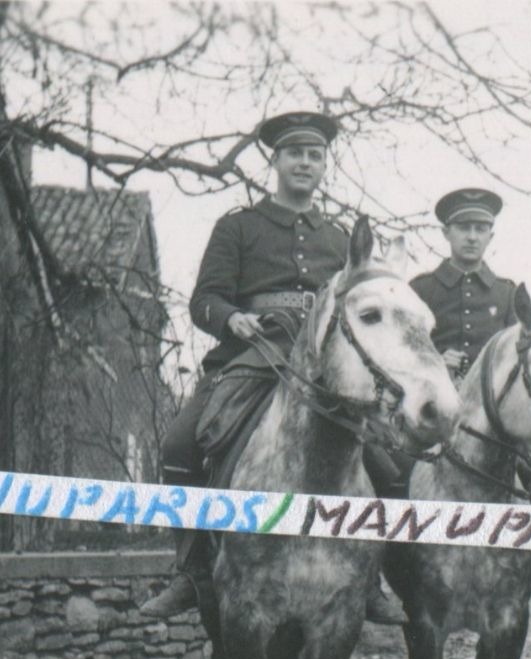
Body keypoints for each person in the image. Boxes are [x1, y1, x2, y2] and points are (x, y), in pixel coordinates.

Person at [140, 110, 404, 623]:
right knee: (178, 446)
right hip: (251, 359)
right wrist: (232, 316)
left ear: (324, 164)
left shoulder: (339, 239)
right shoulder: (239, 227)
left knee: (390, 470)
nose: (306, 163)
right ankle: (192, 571)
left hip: (324, 377)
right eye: (295, 154)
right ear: (275, 160)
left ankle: (370, 580)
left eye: (315, 155)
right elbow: (204, 301)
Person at [405, 189, 531, 618]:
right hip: (434, 408)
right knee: (392, 470)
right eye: (463, 228)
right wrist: (434, 359)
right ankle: (391, 567)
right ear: (446, 233)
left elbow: (519, 359)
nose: (471, 237)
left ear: (490, 235)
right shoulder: (420, 288)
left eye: (480, 229)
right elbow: (404, 350)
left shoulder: (507, 295)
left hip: (490, 414)